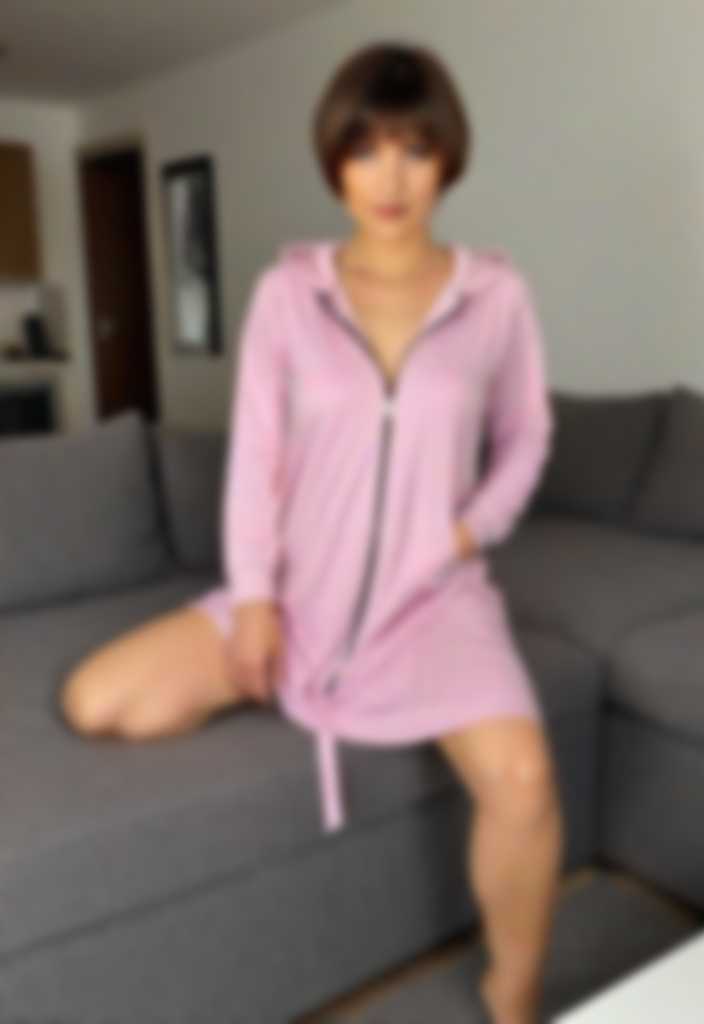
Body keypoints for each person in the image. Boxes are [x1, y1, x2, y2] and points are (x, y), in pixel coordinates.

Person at [59, 40, 565, 1024]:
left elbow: (528, 433)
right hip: (300, 590)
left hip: (436, 603)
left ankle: (514, 995)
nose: (390, 178)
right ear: (334, 159)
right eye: (365, 149)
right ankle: (318, 678)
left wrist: (470, 531)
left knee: (524, 778)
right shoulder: (289, 295)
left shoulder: (496, 297)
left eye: (415, 150)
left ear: (447, 160)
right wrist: (255, 602)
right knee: (101, 702)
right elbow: (254, 459)